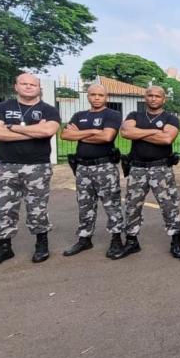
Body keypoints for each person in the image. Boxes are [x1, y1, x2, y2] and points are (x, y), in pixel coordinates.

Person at [0, 73, 61, 268]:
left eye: (32, 84)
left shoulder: (48, 110)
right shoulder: (1, 108)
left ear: (39, 88)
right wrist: (30, 132)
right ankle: (4, 248)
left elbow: (47, 131)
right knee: (4, 209)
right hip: (6, 166)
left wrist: (10, 128)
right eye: (23, 83)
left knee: (38, 208)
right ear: (16, 86)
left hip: (37, 167)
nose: (28, 87)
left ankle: (41, 245)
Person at [116, 86, 180, 260]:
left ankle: (176, 242)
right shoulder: (134, 116)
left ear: (163, 99)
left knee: (169, 206)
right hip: (137, 168)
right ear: (145, 97)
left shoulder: (170, 118)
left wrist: (138, 133)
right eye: (150, 95)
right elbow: (125, 132)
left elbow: (167, 138)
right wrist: (154, 131)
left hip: (161, 168)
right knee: (132, 205)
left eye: (157, 96)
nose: (153, 98)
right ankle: (131, 242)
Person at [60, 84, 124, 258]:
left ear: (106, 97)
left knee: (111, 204)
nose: (96, 98)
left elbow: (107, 137)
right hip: (82, 167)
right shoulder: (80, 115)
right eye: (93, 94)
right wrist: (93, 131)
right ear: (87, 96)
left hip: (104, 167)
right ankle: (84, 238)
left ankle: (116, 239)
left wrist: (80, 134)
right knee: (84, 205)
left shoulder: (112, 114)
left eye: (100, 95)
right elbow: (64, 135)